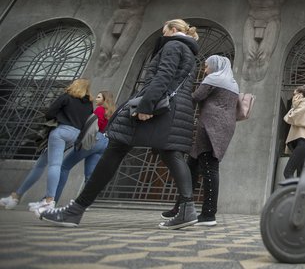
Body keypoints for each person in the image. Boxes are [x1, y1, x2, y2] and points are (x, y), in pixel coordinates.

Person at [39, 19, 200, 229]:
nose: (163, 35)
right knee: (170, 153)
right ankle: (187, 209)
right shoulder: (190, 53)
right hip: (175, 109)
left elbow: (163, 76)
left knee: (116, 148)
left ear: (173, 30)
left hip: (157, 107)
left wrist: (146, 106)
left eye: (164, 31)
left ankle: (75, 211)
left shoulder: (172, 45)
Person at [161, 55, 239, 227]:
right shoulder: (232, 83)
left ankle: (209, 214)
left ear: (215, 66)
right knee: (191, 168)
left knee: (209, 167)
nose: (205, 70)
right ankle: (180, 208)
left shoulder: (214, 78)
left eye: (206, 66)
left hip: (210, 126)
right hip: (223, 126)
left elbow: (195, 97)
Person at [0, 79, 95, 212]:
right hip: (75, 135)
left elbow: (50, 113)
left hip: (61, 132)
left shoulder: (66, 97)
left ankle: (49, 201)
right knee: (40, 164)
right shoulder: (89, 104)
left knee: (55, 165)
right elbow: (88, 120)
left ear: (74, 85)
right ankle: (15, 196)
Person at [282, 85, 305, 179]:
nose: (293, 96)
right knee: (301, 176)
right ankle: (300, 193)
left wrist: (294, 104)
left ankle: (296, 193)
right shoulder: (302, 105)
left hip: (303, 142)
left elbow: (290, 117)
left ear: (300, 95)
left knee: (288, 172)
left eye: (294, 94)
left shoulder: (304, 105)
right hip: (303, 143)